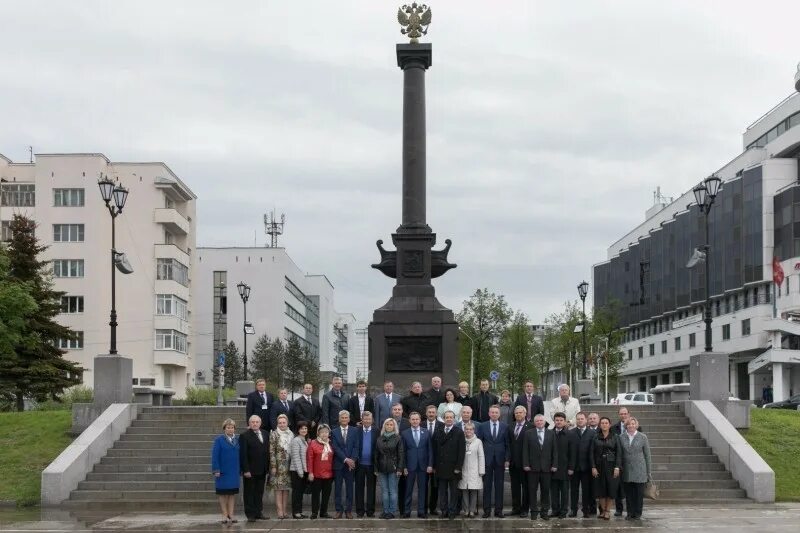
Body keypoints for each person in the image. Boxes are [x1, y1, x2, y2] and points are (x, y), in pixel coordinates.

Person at [522, 414, 557, 521]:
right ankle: (533, 512)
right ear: (534, 422)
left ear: (544, 421)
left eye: (541, 420)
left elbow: (554, 451)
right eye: (537, 421)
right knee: (532, 491)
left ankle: (544, 512)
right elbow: (525, 450)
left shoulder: (551, 433)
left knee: (545, 491)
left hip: (547, 468)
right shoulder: (528, 433)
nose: (539, 422)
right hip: (532, 468)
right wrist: (526, 464)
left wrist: (554, 465)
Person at [432, 410, 466, 519]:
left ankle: (452, 511)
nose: (449, 419)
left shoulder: (459, 431)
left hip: (453, 468)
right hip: (440, 467)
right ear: (443, 418)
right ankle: (444, 511)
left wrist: (458, 467)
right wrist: (434, 466)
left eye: (451, 417)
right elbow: (434, 450)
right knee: (442, 492)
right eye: (447, 417)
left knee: (454, 492)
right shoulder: (438, 430)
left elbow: (461, 451)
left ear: (454, 419)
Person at [611, 407, 644, 516]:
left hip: (636, 466)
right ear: (619, 415)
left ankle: (636, 512)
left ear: (629, 414)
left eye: (625, 414)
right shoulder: (614, 428)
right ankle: (619, 509)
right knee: (619, 488)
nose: (623, 415)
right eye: (621, 414)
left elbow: (643, 449)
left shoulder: (640, 432)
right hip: (621, 464)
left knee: (635, 491)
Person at [479, 405, 509, 518]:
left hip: (500, 460)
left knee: (499, 485)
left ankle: (498, 510)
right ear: (489, 413)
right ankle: (486, 510)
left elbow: (507, 444)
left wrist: (507, 459)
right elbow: (480, 442)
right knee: (487, 486)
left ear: (499, 414)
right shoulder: (483, 426)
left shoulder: (505, 426)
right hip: (486, 460)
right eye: (492, 412)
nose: (494, 414)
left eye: (496, 412)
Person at [401, 412, 433, 518]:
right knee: (408, 489)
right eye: (413, 419)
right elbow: (403, 452)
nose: (415, 421)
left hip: (423, 466)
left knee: (422, 489)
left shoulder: (426, 432)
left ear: (420, 420)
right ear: (409, 421)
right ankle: (407, 511)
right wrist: (404, 466)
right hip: (410, 466)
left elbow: (430, 450)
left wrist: (430, 465)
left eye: (417, 419)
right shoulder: (405, 433)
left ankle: (421, 511)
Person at [590, 416, 622, 520]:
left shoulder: (615, 437)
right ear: (600, 425)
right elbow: (591, 453)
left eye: (606, 423)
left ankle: (608, 511)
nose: (604, 424)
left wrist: (617, 467)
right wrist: (593, 467)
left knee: (610, 490)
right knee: (600, 490)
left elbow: (619, 453)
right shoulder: (595, 437)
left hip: (611, 466)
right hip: (599, 466)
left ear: (609, 424)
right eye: (602, 423)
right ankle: (603, 511)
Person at [620, 417, 651, 520]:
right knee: (628, 494)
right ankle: (629, 512)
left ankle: (637, 513)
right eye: (629, 424)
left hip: (640, 469)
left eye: (633, 424)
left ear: (636, 425)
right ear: (626, 426)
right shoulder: (621, 437)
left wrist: (648, 472)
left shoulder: (643, 437)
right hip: (627, 469)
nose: (631, 426)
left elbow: (647, 455)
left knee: (638, 493)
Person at [240, 415, 269, 522]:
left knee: (259, 492)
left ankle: (258, 512)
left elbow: (267, 452)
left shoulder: (266, 434)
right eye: (253, 422)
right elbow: (243, 455)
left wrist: (268, 468)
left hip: (262, 469)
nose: (255, 424)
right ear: (249, 423)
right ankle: (250, 514)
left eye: (257, 422)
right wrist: (246, 470)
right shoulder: (244, 436)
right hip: (250, 470)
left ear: (260, 423)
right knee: (249, 493)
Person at [211, 418, 241, 524]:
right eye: (228, 427)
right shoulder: (219, 440)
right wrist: (216, 469)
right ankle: (224, 514)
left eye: (232, 427)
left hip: (234, 471)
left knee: (232, 494)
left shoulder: (238, 440)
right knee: (223, 494)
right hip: (222, 471)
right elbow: (215, 456)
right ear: (224, 429)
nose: (230, 429)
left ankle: (231, 514)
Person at [375, 417, 405, 519]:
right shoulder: (379, 438)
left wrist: (400, 469)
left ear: (394, 426)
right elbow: (376, 455)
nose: (389, 426)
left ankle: (392, 512)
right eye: (387, 424)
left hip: (394, 468)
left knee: (392, 491)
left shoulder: (398, 438)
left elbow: (401, 454)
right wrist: (376, 468)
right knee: (384, 491)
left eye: (391, 425)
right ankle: (385, 511)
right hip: (382, 468)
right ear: (384, 426)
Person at [331, 410, 358, 519]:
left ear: (349, 419)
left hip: (351, 465)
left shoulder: (355, 430)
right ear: (339, 419)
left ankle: (348, 510)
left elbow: (356, 446)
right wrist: (346, 459)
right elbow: (335, 448)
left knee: (350, 488)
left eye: (346, 417)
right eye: (342, 417)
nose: (344, 419)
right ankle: (339, 510)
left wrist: (353, 459)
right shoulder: (334, 431)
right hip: (339, 464)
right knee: (337, 488)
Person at [570, 411, 597, 518]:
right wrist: (570, 466)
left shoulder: (592, 433)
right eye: (578, 419)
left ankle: (586, 510)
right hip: (574, 467)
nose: (580, 421)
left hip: (587, 467)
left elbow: (594, 451)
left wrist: (593, 466)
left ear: (586, 420)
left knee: (587, 490)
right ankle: (573, 510)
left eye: (582, 419)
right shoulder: (570, 432)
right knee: (574, 490)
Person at [549, 412, 576, 519]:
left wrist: (571, 467)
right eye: (557, 420)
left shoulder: (570, 434)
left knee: (564, 491)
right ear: (554, 421)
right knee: (554, 491)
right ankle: (555, 510)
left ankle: (563, 511)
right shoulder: (550, 433)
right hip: (552, 468)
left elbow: (573, 453)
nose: (559, 422)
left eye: (561, 420)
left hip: (565, 468)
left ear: (565, 422)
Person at [307, 424, 334, 519]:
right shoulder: (313, 443)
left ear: (329, 433)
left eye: (326, 432)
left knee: (326, 495)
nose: (324, 434)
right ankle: (314, 512)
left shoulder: (331, 443)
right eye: (322, 432)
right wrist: (310, 472)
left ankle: (324, 512)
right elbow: (309, 459)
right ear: (318, 433)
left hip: (329, 474)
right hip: (316, 474)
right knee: (315, 495)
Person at [508, 406, 532, 517]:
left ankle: (525, 509)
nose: (518, 414)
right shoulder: (511, 426)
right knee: (515, 487)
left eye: (520, 412)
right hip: (513, 463)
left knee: (526, 487)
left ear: (525, 413)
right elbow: (508, 444)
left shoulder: (531, 426)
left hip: (525, 463)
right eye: (516, 413)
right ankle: (516, 508)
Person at [458, 422, 485, 518]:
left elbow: (481, 456)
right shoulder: (461, 440)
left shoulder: (478, 442)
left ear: (474, 430)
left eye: (470, 429)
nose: (468, 431)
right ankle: (466, 510)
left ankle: (472, 511)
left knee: (473, 491)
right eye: (466, 429)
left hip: (475, 470)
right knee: (464, 490)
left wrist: (481, 471)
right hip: (463, 469)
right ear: (464, 430)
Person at [269, 414, 294, 519]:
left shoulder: (291, 434)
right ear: (277, 424)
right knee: (278, 489)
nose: (282, 424)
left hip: (288, 464)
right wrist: (273, 466)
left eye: (284, 422)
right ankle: (279, 511)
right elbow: (271, 451)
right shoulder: (274, 434)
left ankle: (285, 510)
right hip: (278, 465)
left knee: (286, 488)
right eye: (280, 423)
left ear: (287, 423)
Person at [354, 411, 378, 517]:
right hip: (359, 464)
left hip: (372, 464)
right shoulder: (356, 430)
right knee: (359, 487)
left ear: (372, 420)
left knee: (371, 488)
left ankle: (370, 511)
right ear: (362, 420)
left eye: (369, 419)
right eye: (365, 419)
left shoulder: (377, 431)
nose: (367, 421)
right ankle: (359, 511)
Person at [423, 405, 443, 515]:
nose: (431, 414)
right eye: (429, 412)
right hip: (423, 461)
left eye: (433, 412)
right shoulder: (420, 424)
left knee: (435, 486)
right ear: (426, 413)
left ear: (436, 414)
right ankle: (424, 508)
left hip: (437, 462)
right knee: (423, 486)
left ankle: (433, 508)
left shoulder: (442, 426)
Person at [289, 421, 309, 519]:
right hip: (296, 471)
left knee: (300, 493)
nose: (304, 430)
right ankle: (295, 512)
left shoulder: (304, 440)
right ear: (298, 430)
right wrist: (301, 472)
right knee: (297, 493)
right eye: (302, 428)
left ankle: (299, 511)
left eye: (305, 428)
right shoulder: (296, 440)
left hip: (302, 471)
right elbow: (296, 457)